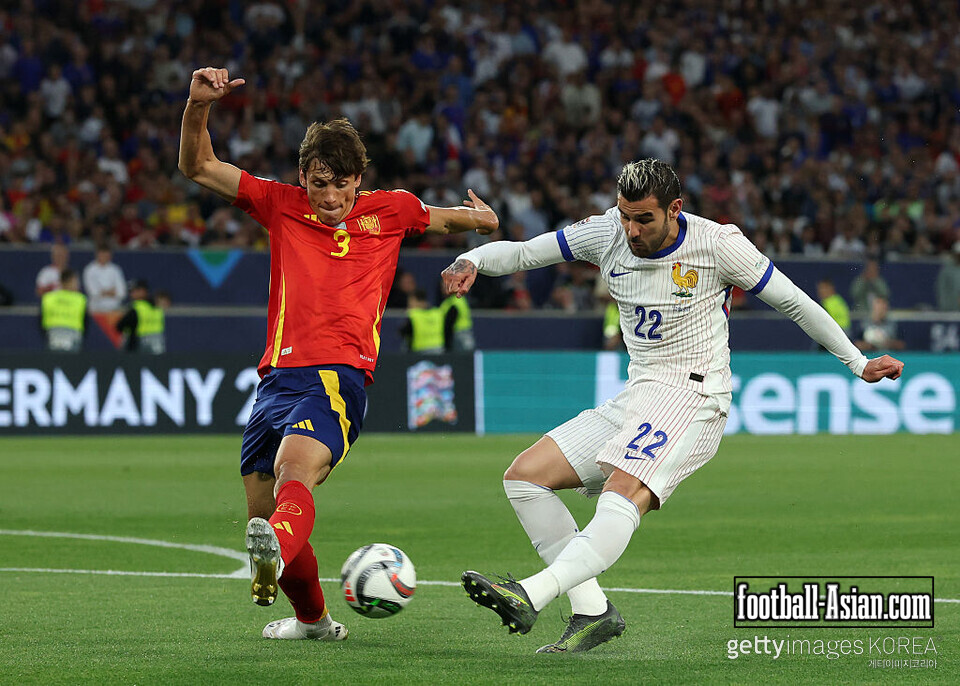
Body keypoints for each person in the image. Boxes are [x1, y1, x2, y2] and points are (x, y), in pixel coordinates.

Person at [441, 159, 904, 654]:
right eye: (624, 216)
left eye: (643, 219)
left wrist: (856, 362)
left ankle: (529, 593)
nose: (631, 230)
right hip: (639, 393)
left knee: (622, 488)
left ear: (674, 209)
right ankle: (592, 611)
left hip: (695, 395)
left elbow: (793, 301)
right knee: (525, 477)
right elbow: (527, 253)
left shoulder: (717, 244)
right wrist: (475, 260)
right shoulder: (607, 234)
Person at [178, 67, 498, 642]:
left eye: (341, 185)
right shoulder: (279, 203)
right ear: (303, 176)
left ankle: (278, 546)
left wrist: (485, 221)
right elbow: (199, 167)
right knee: (263, 512)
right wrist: (198, 106)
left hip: (337, 376)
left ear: (359, 179)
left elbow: (449, 219)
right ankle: (313, 621)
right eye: (319, 184)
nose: (329, 198)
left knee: (291, 474)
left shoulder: (392, 210)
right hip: (275, 380)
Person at [40, 268, 87, 352]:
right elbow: (86, 321)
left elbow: (40, 319)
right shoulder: (80, 299)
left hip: (53, 336)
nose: (77, 285)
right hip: (71, 337)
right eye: (75, 282)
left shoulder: (48, 297)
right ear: (68, 282)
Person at [115, 279, 166, 354]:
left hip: (139, 348)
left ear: (143, 291)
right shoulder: (157, 307)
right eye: (130, 292)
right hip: (157, 348)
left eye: (134, 291)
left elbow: (119, 326)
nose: (132, 294)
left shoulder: (137, 308)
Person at [82, 244, 127, 313]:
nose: (105, 257)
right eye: (103, 255)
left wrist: (102, 292)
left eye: (107, 255)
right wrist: (111, 292)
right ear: (97, 254)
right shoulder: (89, 270)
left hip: (114, 310)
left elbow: (122, 292)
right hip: (96, 310)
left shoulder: (115, 269)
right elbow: (93, 293)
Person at [400, 289, 446, 354]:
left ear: (415, 300)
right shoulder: (438, 313)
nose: (409, 306)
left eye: (410, 302)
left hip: (420, 352)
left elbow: (405, 332)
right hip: (439, 350)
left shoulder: (413, 315)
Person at [935, 241, 960, 311]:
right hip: (949, 308)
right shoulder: (946, 270)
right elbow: (941, 289)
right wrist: (944, 306)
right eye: (957, 254)